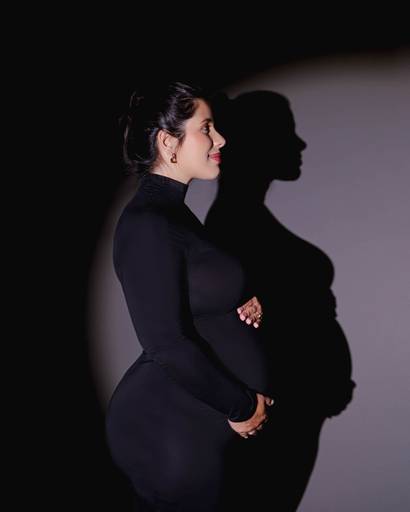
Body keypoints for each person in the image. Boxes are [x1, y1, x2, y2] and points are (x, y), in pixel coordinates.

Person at [104, 81, 274, 511]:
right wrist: (241, 407)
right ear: (168, 142)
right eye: (207, 128)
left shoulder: (174, 214)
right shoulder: (147, 223)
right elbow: (165, 343)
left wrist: (239, 299)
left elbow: (195, 295)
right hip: (169, 429)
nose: (221, 140)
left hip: (198, 425)